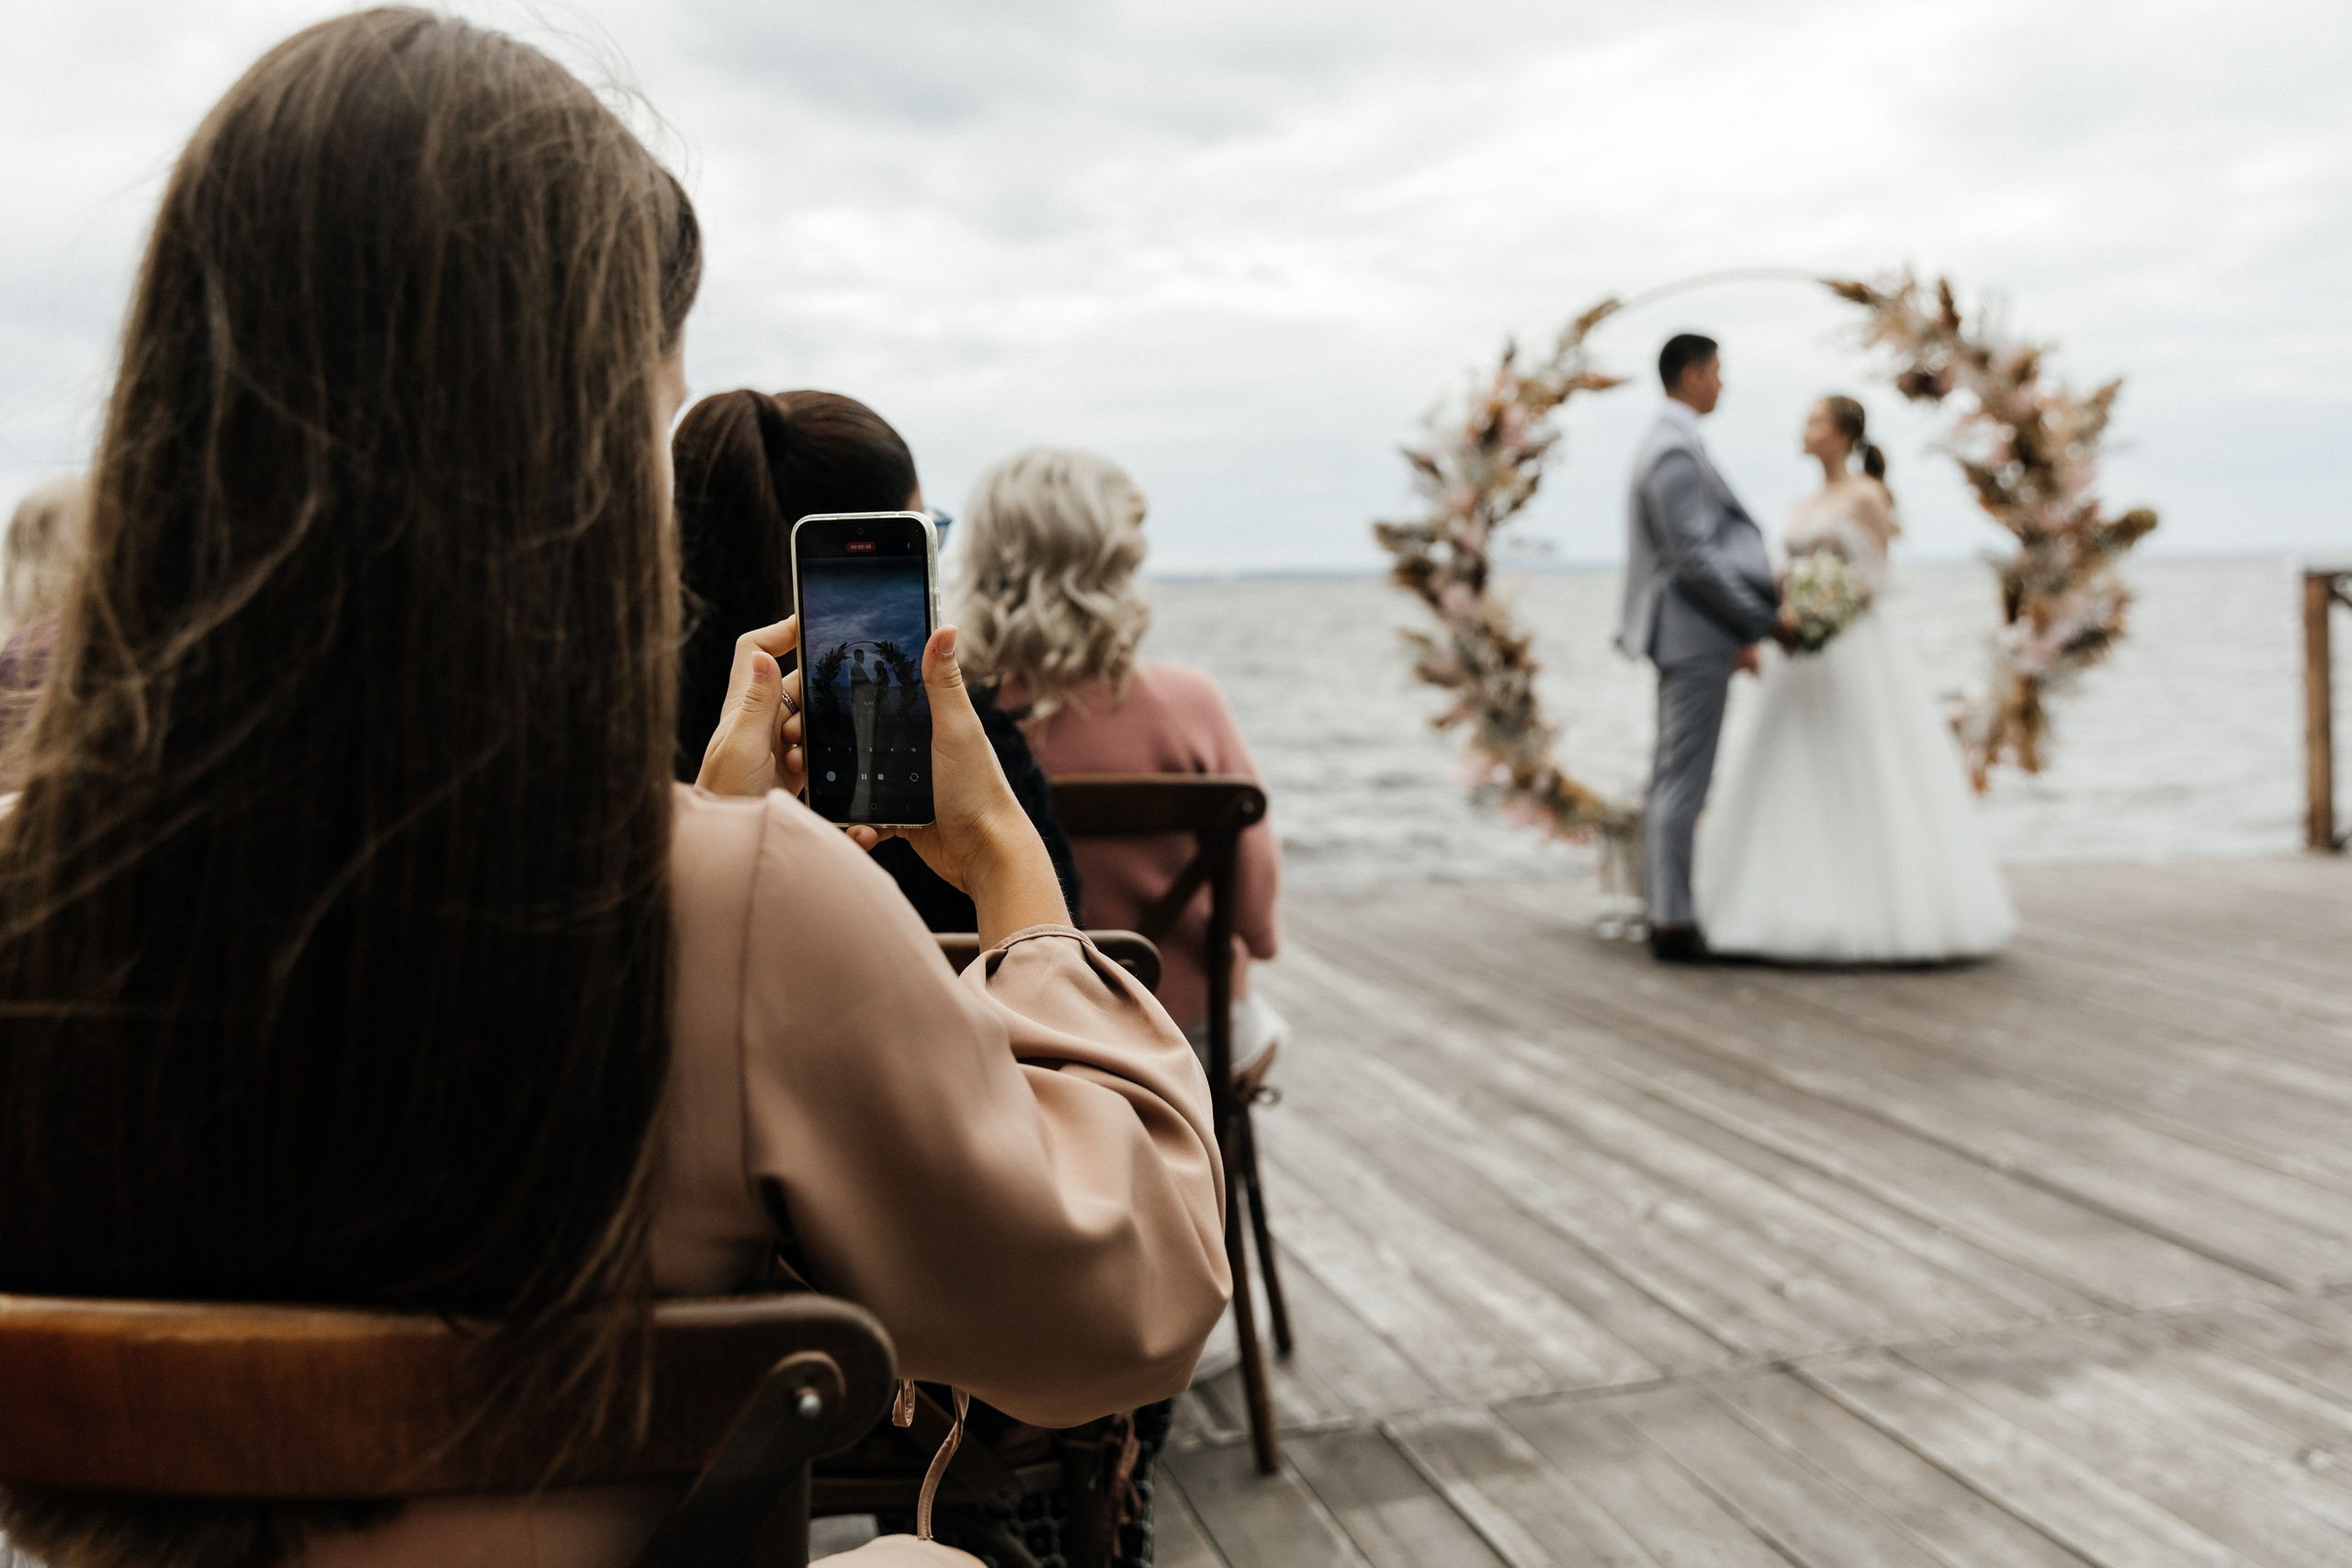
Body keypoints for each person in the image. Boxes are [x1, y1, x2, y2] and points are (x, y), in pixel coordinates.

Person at [0, 15, 1226, 1568]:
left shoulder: (37, 894)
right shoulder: (732, 909)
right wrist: (1005, 878)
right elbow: (1119, 1307)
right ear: (562, 462)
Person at [670, 387, 1082, 930]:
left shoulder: (634, 765)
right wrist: (993, 851)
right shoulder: (968, 756)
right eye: (930, 529)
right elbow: (1055, 967)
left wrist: (720, 824)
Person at [955, 448, 1284, 1084]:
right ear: (1113, 568)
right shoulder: (1190, 706)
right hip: (1177, 1040)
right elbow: (1257, 923)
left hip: (1001, 1042)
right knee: (1267, 1032)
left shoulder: (945, 720)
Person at [1695, 397, 2016, 961]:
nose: (1805, 429)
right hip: (1800, 650)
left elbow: (1879, 577)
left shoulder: (1867, 496)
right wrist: (1779, 612)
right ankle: (1788, 906)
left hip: (1854, 645)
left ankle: (1884, 910)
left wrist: (1827, 606)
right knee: (1793, 767)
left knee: (1866, 765)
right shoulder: (1805, 502)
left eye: (1815, 420)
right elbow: (1788, 573)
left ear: (1843, 434)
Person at [1617, 333, 1780, 964]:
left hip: (1689, 634)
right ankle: (1674, 921)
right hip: (1693, 634)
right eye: (1717, 371)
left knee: (1671, 777)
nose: (1722, 383)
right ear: (1691, 375)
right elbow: (1694, 558)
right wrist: (1758, 620)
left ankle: (1667, 909)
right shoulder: (1673, 452)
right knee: (1684, 783)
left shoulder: (1672, 445)